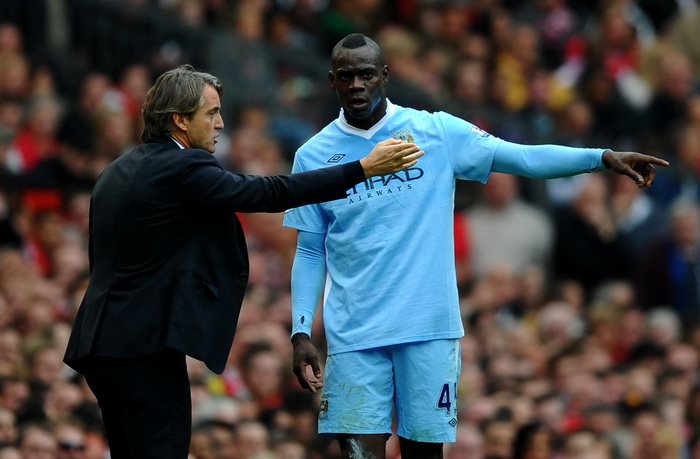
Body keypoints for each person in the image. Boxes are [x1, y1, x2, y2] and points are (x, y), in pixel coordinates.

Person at [283, 33, 669, 459]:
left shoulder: (436, 131)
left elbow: (522, 157)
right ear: (331, 81)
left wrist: (600, 157)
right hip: (355, 333)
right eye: (346, 76)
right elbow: (310, 250)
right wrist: (301, 330)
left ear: (385, 76)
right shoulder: (313, 155)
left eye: (366, 75)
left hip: (428, 329)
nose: (357, 85)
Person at [62, 64, 423, 459]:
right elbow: (268, 192)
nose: (220, 124)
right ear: (180, 120)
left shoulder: (115, 171)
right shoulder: (183, 166)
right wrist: (362, 169)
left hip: (100, 341)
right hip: (144, 347)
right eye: (211, 113)